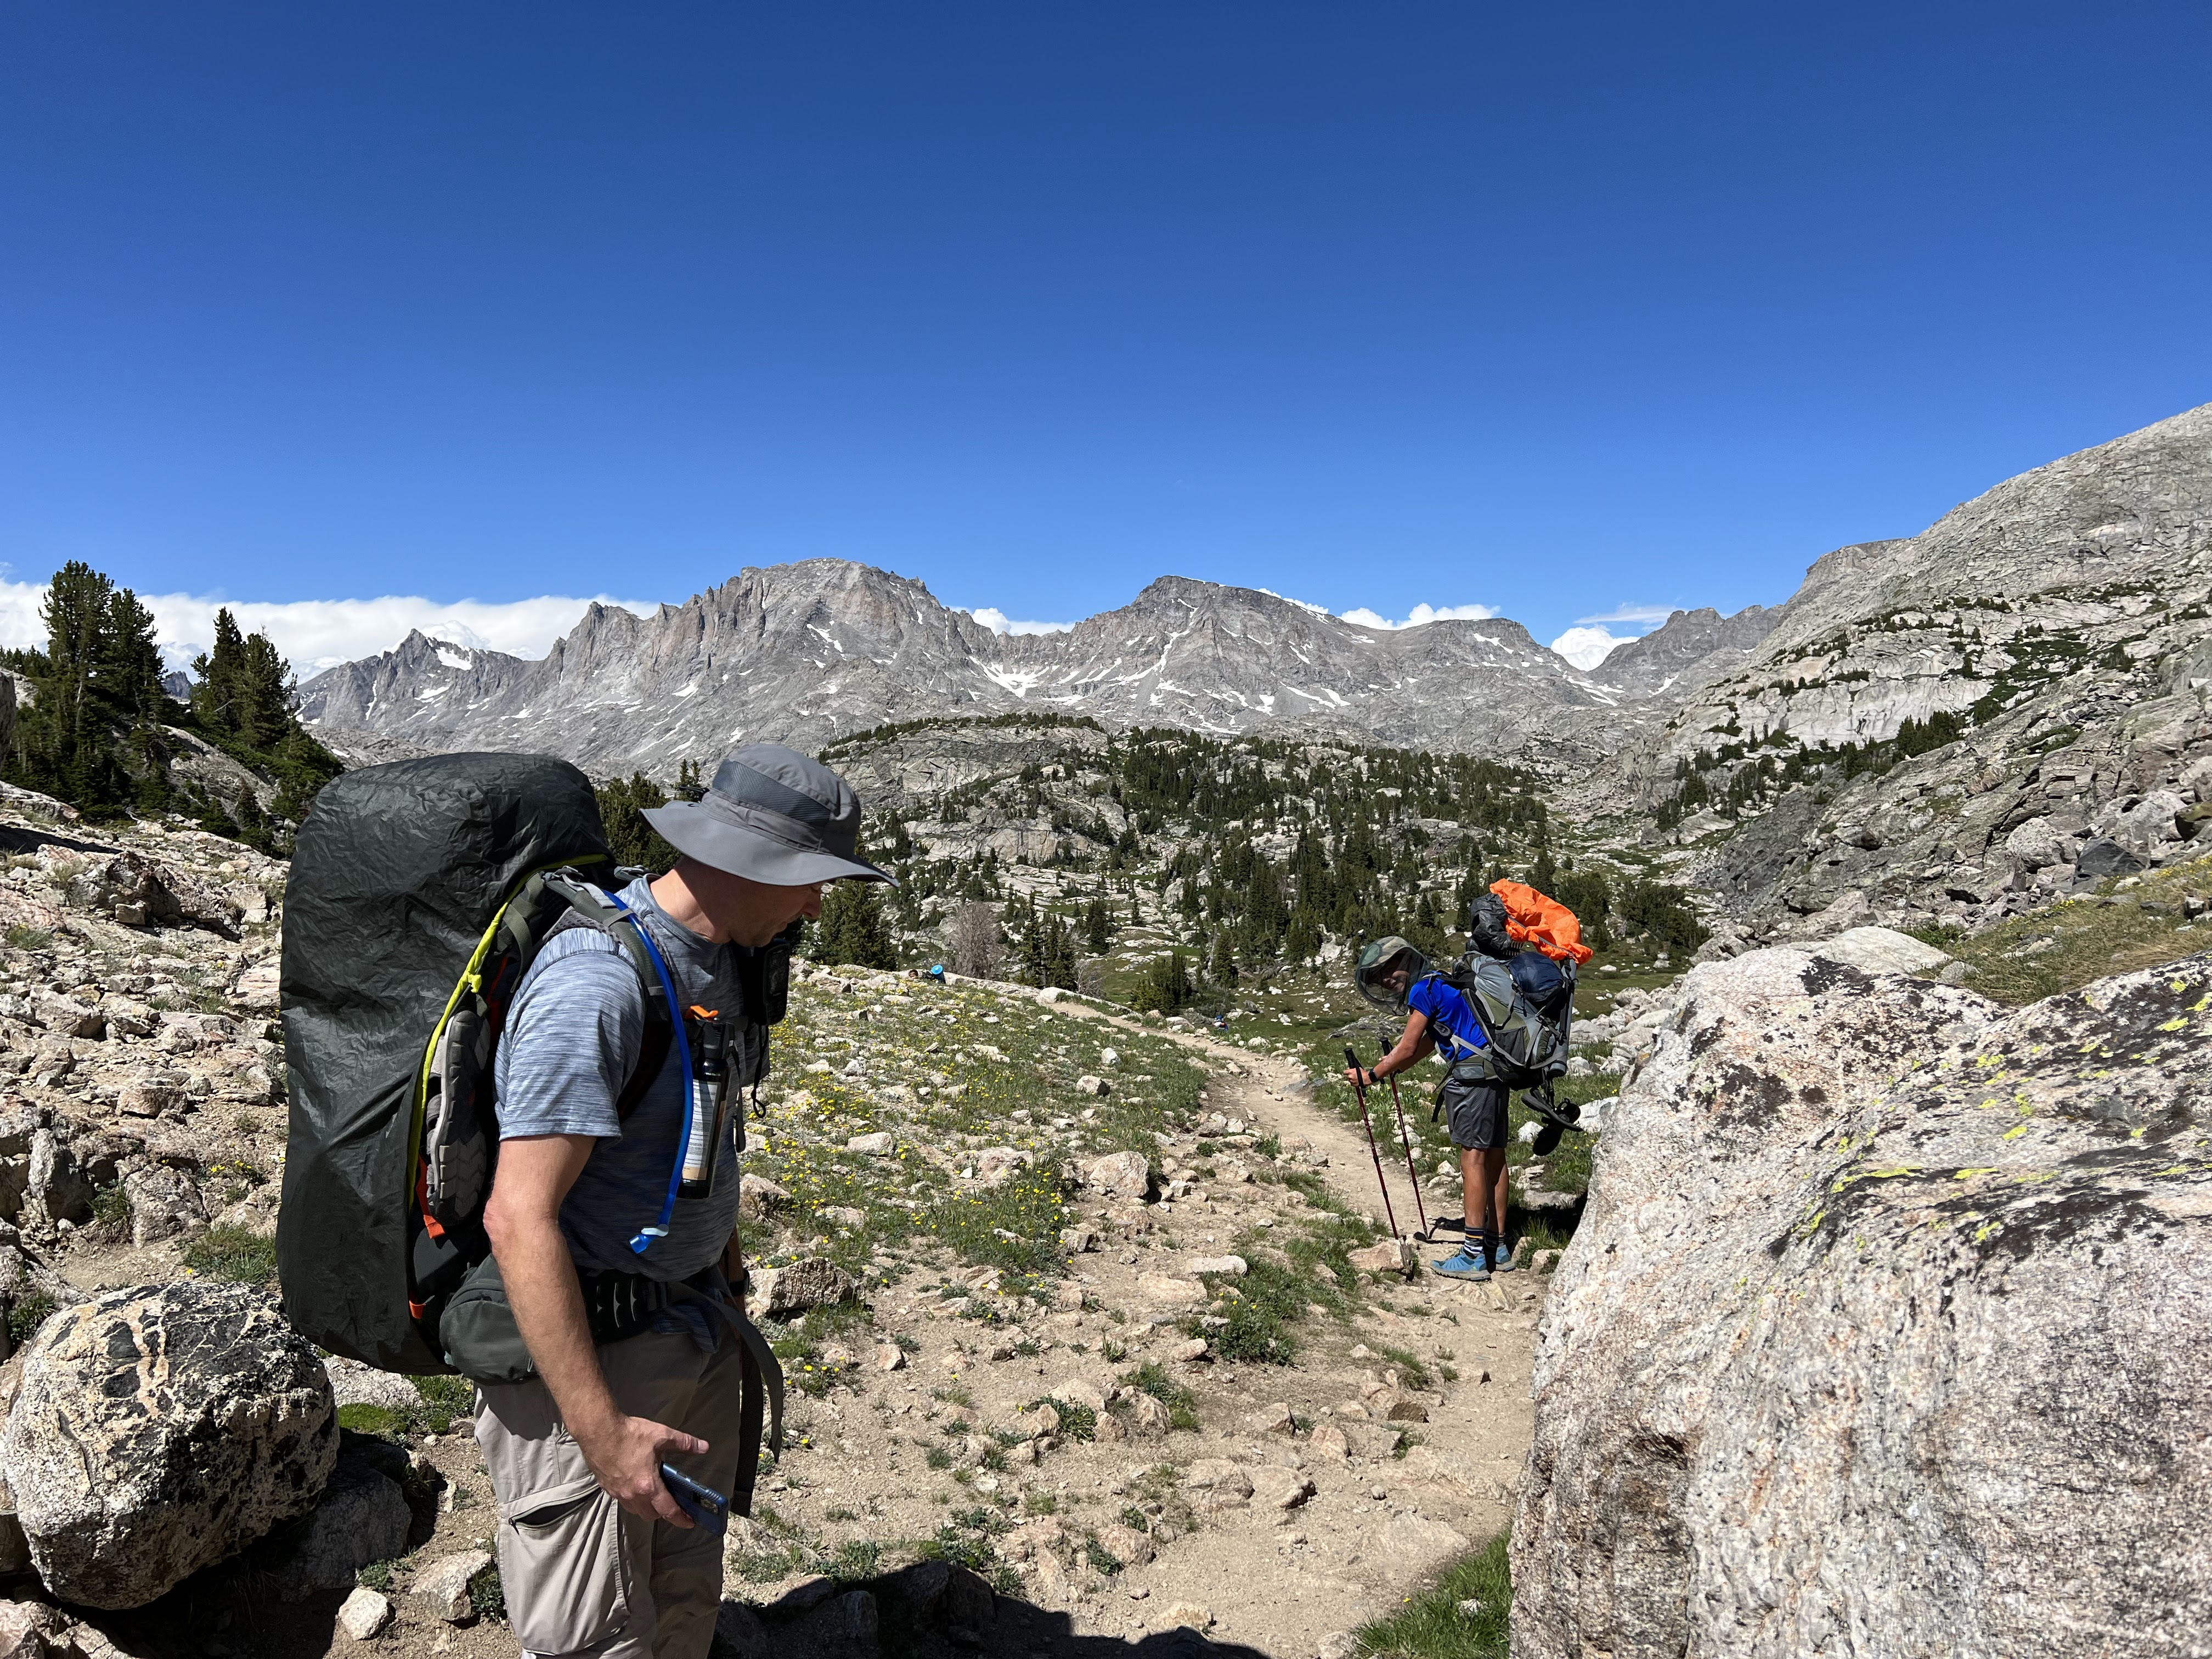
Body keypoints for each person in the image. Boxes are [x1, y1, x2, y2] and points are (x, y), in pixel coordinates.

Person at [478, 744, 890, 1659]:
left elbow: (702, 1135)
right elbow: (518, 1213)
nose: (819, 903)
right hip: (592, 1362)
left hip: (692, 1324)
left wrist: (726, 1269)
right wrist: (599, 1429)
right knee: (593, 1636)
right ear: (747, 862)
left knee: (680, 1596)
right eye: (811, 879)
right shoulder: (597, 978)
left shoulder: (729, 961)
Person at [1345, 935, 1514, 1282]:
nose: (1387, 978)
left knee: (1474, 1158)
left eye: (1390, 968)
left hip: (1471, 1079)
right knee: (1495, 1155)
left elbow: (1408, 1046)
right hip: (1495, 1070)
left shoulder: (1423, 990)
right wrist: (1395, 1066)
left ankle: (1473, 1256)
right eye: (1379, 976)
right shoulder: (1440, 982)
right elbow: (1433, 1041)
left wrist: (1372, 1075)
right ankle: (1497, 1246)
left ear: (1407, 960)